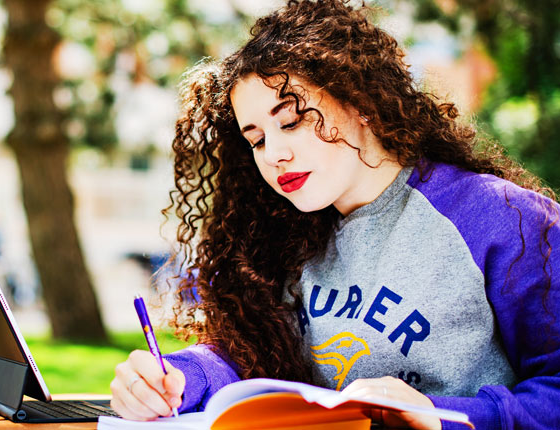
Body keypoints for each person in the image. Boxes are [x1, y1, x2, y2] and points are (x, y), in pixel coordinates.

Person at [108, 1, 560, 429]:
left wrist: (440, 415)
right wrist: (179, 377)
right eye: (257, 139)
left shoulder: (499, 218)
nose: (275, 154)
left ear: (361, 102)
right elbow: (253, 354)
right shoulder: (286, 234)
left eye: (291, 121)